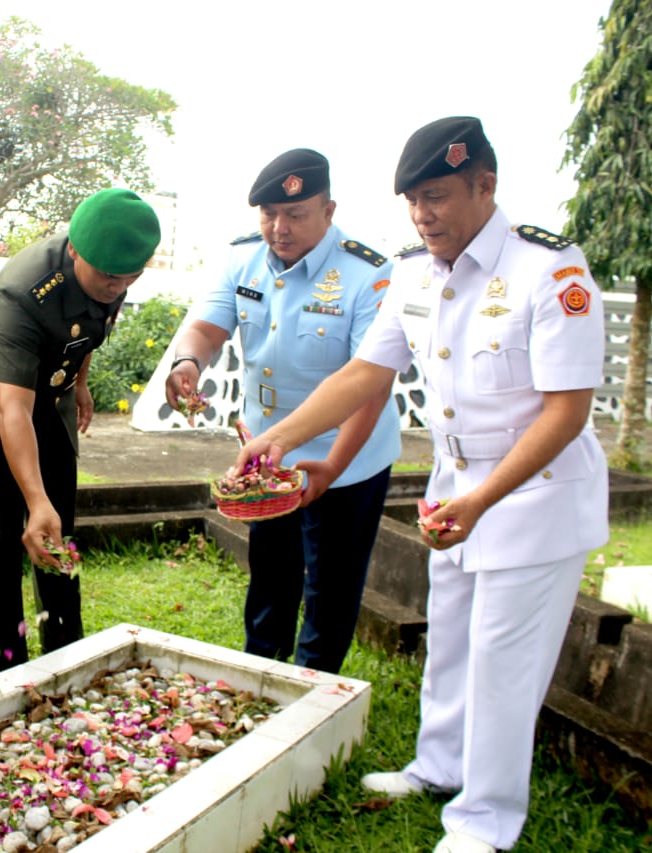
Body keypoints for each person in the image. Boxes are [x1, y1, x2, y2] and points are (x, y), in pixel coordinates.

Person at [234, 117, 608, 853]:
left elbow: (567, 412)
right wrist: (277, 439)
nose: (422, 214)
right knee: (452, 637)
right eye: (412, 200)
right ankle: (438, 766)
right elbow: (364, 375)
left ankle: (484, 820)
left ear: (485, 186)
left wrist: (482, 498)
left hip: (533, 495)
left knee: (503, 659)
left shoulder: (550, 271)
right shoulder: (412, 273)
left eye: (435, 196)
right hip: (454, 486)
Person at [166, 149, 400, 674]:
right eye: (269, 213)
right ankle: (261, 671)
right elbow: (206, 327)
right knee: (271, 569)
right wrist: (188, 361)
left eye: (295, 214)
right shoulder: (242, 259)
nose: (280, 227)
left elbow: (371, 387)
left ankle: (312, 689)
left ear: (329, 210)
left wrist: (336, 466)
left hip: (348, 456)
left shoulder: (370, 275)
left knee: (332, 583)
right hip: (268, 453)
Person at [0, 188, 161, 677]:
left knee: (59, 529)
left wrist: (78, 383)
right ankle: (2, 673)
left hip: (47, 393)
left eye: (128, 277)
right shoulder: (26, 289)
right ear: (76, 250)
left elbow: (89, 327)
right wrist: (33, 501)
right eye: (107, 275)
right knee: (2, 533)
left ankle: (65, 657)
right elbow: (11, 408)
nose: (116, 287)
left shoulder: (112, 272)